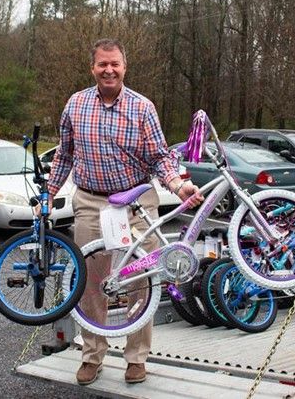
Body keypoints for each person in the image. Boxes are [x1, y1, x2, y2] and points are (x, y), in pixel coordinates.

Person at [46, 38, 203, 386]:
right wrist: (48, 195)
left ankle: (136, 359)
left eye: (114, 64)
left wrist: (178, 186)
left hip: (135, 204)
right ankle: (92, 356)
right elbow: (64, 156)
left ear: (124, 67)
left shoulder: (142, 107)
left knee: (142, 283)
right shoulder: (75, 105)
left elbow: (160, 156)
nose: (109, 70)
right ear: (93, 68)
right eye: (102, 64)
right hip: (89, 202)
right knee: (90, 282)